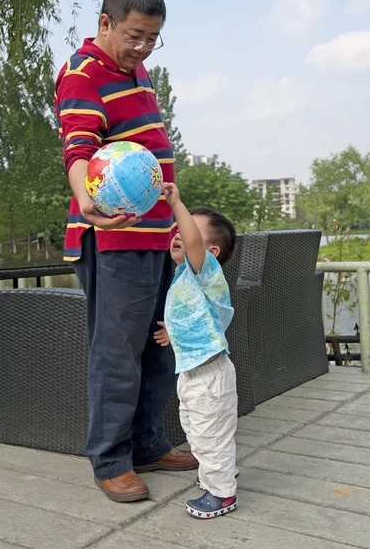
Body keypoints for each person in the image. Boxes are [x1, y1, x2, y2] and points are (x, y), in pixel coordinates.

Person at [54, 0, 197, 503]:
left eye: (153, 38)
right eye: (134, 35)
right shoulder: (82, 72)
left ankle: (148, 443)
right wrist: (85, 200)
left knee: (161, 346)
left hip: (156, 234)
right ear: (105, 23)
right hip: (115, 238)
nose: (143, 47)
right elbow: (78, 145)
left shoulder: (138, 73)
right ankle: (110, 459)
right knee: (118, 354)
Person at [154, 183, 239, 519]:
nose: (179, 232)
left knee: (209, 437)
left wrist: (176, 202)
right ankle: (218, 475)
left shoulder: (205, 271)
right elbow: (200, 320)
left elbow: (191, 243)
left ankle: (222, 494)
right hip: (192, 374)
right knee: (197, 432)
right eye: (178, 227)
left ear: (211, 251)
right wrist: (172, 334)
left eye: (187, 226)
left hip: (209, 377)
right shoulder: (183, 276)